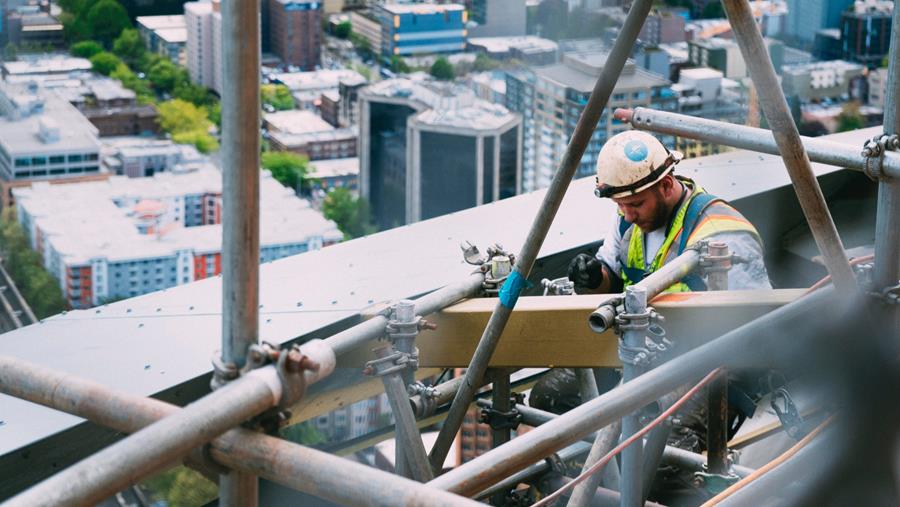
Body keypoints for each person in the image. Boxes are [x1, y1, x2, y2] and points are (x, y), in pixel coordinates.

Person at [568, 130, 771, 294]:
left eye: (636, 205)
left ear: (665, 186)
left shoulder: (723, 235)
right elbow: (613, 279)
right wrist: (595, 278)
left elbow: (750, 320)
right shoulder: (627, 217)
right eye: (620, 205)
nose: (628, 215)